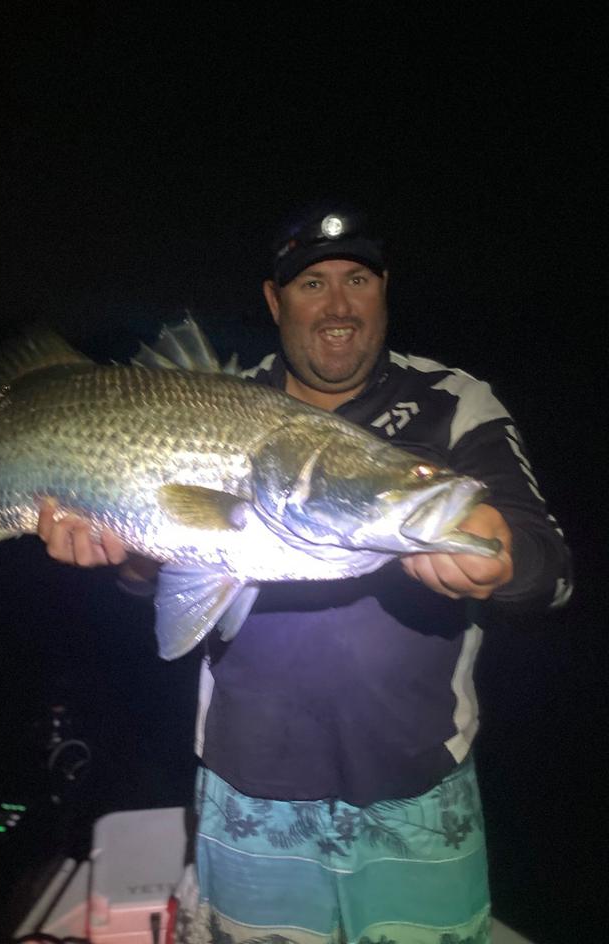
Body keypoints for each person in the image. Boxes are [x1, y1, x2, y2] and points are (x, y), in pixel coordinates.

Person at [37, 200, 572, 944]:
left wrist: (502, 557)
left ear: (385, 290)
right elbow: (161, 575)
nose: (338, 304)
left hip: (417, 788)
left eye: (358, 278)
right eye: (312, 283)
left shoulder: (455, 402)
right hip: (249, 787)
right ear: (274, 299)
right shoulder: (225, 401)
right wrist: (127, 559)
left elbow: (552, 570)